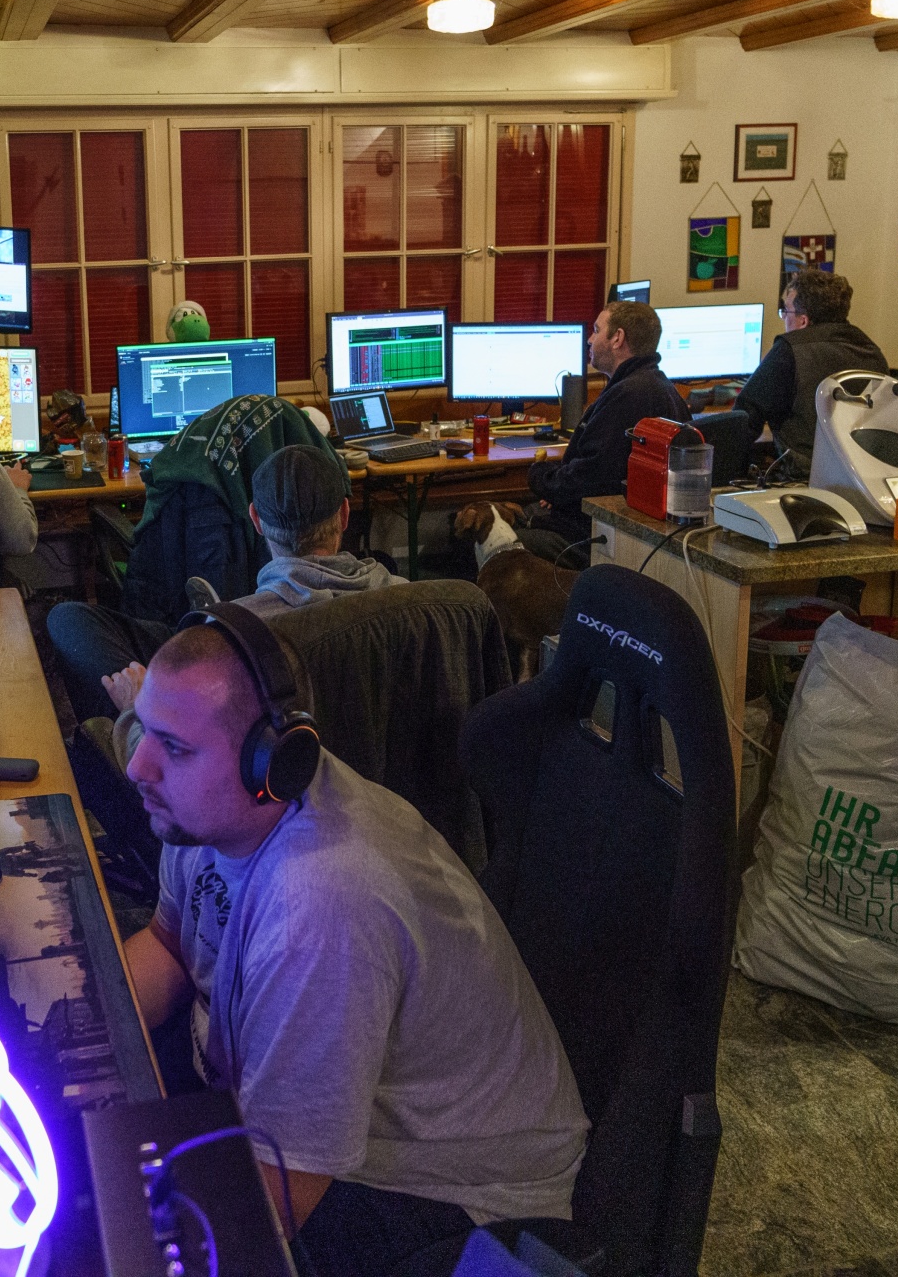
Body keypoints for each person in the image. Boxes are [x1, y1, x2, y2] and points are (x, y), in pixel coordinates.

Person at [122, 617, 588, 1277]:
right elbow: (169, 945)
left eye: (174, 747)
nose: (137, 765)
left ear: (274, 764)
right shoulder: (203, 817)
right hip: (320, 1137)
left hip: (447, 1192)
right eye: (145, 729)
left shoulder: (321, 907)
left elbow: (271, 1208)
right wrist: (80, 1029)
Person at [49, 440, 401, 741]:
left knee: (66, 619)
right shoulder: (410, 600)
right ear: (344, 514)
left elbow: (189, 757)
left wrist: (136, 709)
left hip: (245, 774)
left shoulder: (236, 634)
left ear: (256, 519)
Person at [516, 299, 686, 560]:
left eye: (596, 330)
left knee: (488, 540)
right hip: (613, 523)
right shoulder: (658, 385)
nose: (590, 339)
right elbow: (596, 474)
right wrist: (560, 489)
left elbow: (587, 480)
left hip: (593, 535)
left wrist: (539, 476)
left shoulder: (626, 396)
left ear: (617, 338)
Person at [729, 269, 887, 467]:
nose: (784, 318)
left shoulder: (790, 350)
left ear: (803, 321)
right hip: (861, 470)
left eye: (786, 311)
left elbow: (745, 419)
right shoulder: (872, 351)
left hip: (805, 472)